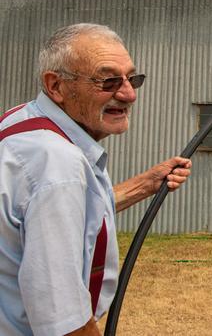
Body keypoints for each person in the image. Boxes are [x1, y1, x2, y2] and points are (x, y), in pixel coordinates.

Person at [0, 23, 192, 335]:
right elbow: (64, 322)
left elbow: (53, 213)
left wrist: (144, 185)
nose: (129, 94)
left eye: (132, 78)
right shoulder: (58, 164)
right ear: (57, 86)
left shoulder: (22, 120)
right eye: (108, 81)